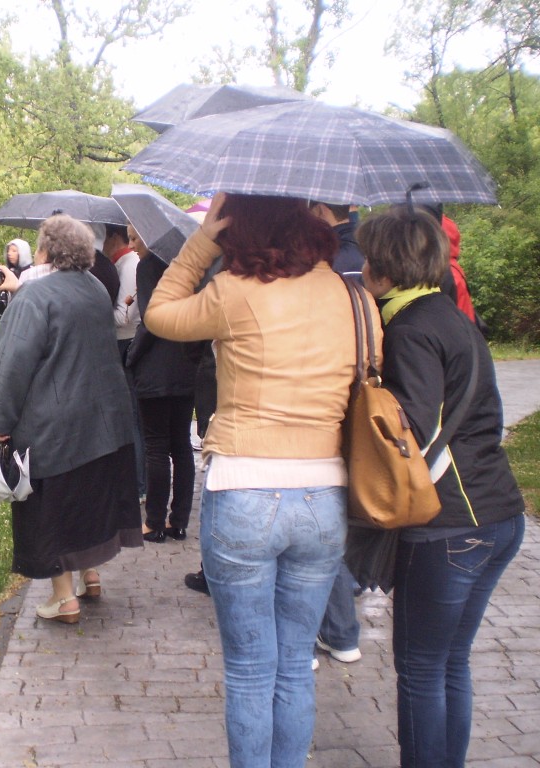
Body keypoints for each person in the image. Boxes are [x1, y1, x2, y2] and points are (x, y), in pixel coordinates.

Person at [145, 192, 381, 768]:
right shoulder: (356, 300)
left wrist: (203, 239)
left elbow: (159, 312)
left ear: (241, 233)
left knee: (251, 671)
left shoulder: (234, 294)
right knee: (296, 663)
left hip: (245, 488)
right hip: (325, 493)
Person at [357, 205, 524, 768]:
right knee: (451, 661)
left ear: (382, 267)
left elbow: (412, 435)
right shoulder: (454, 317)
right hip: (499, 513)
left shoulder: (410, 329)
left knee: (423, 669)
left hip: (449, 526)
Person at [0, 214, 143, 624]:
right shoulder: (93, 287)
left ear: (46, 251)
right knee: (90, 501)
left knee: (54, 509)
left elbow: (11, 364)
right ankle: (91, 577)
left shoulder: (35, 296)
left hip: (53, 425)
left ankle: (63, 598)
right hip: (102, 420)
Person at [309, 200, 366, 664]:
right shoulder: (367, 257)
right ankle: (343, 630)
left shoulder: (334, 268)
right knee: (335, 523)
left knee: (319, 527)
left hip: (328, 406)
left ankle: (313, 633)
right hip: (360, 399)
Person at [124, 224, 197, 543]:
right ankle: (178, 521)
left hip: (155, 368)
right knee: (181, 445)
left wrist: (131, 355)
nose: (132, 244)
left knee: (156, 446)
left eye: (135, 237)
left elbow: (152, 319)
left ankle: (153, 522)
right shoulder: (188, 265)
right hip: (185, 366)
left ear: (149, 237)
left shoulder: (148, 265)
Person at [105, 223, 145, 497]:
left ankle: (139, 485)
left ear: (113, 238)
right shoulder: (122, 264)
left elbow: (124, 317)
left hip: (127, 343)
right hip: (123, 342)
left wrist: (94, 308)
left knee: (132, 417)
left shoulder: (130, 264)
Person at [0, 239, 32, 318]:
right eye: (8, 251)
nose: (9, 254)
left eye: (14, 251)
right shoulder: (6, 272)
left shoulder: (31, 273)